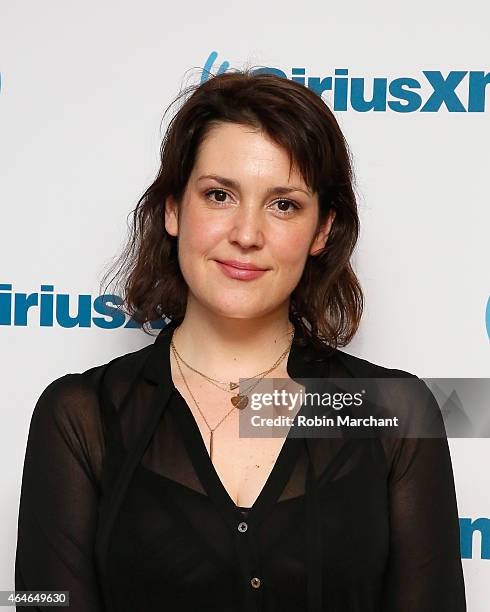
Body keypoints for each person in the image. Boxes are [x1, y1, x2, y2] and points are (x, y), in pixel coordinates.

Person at [15, 69, 466, 612]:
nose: (247, 235)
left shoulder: (394, 414)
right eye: (220, 195)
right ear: (174, 209)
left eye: (284, 205)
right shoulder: (79, 417)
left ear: (322, 229)